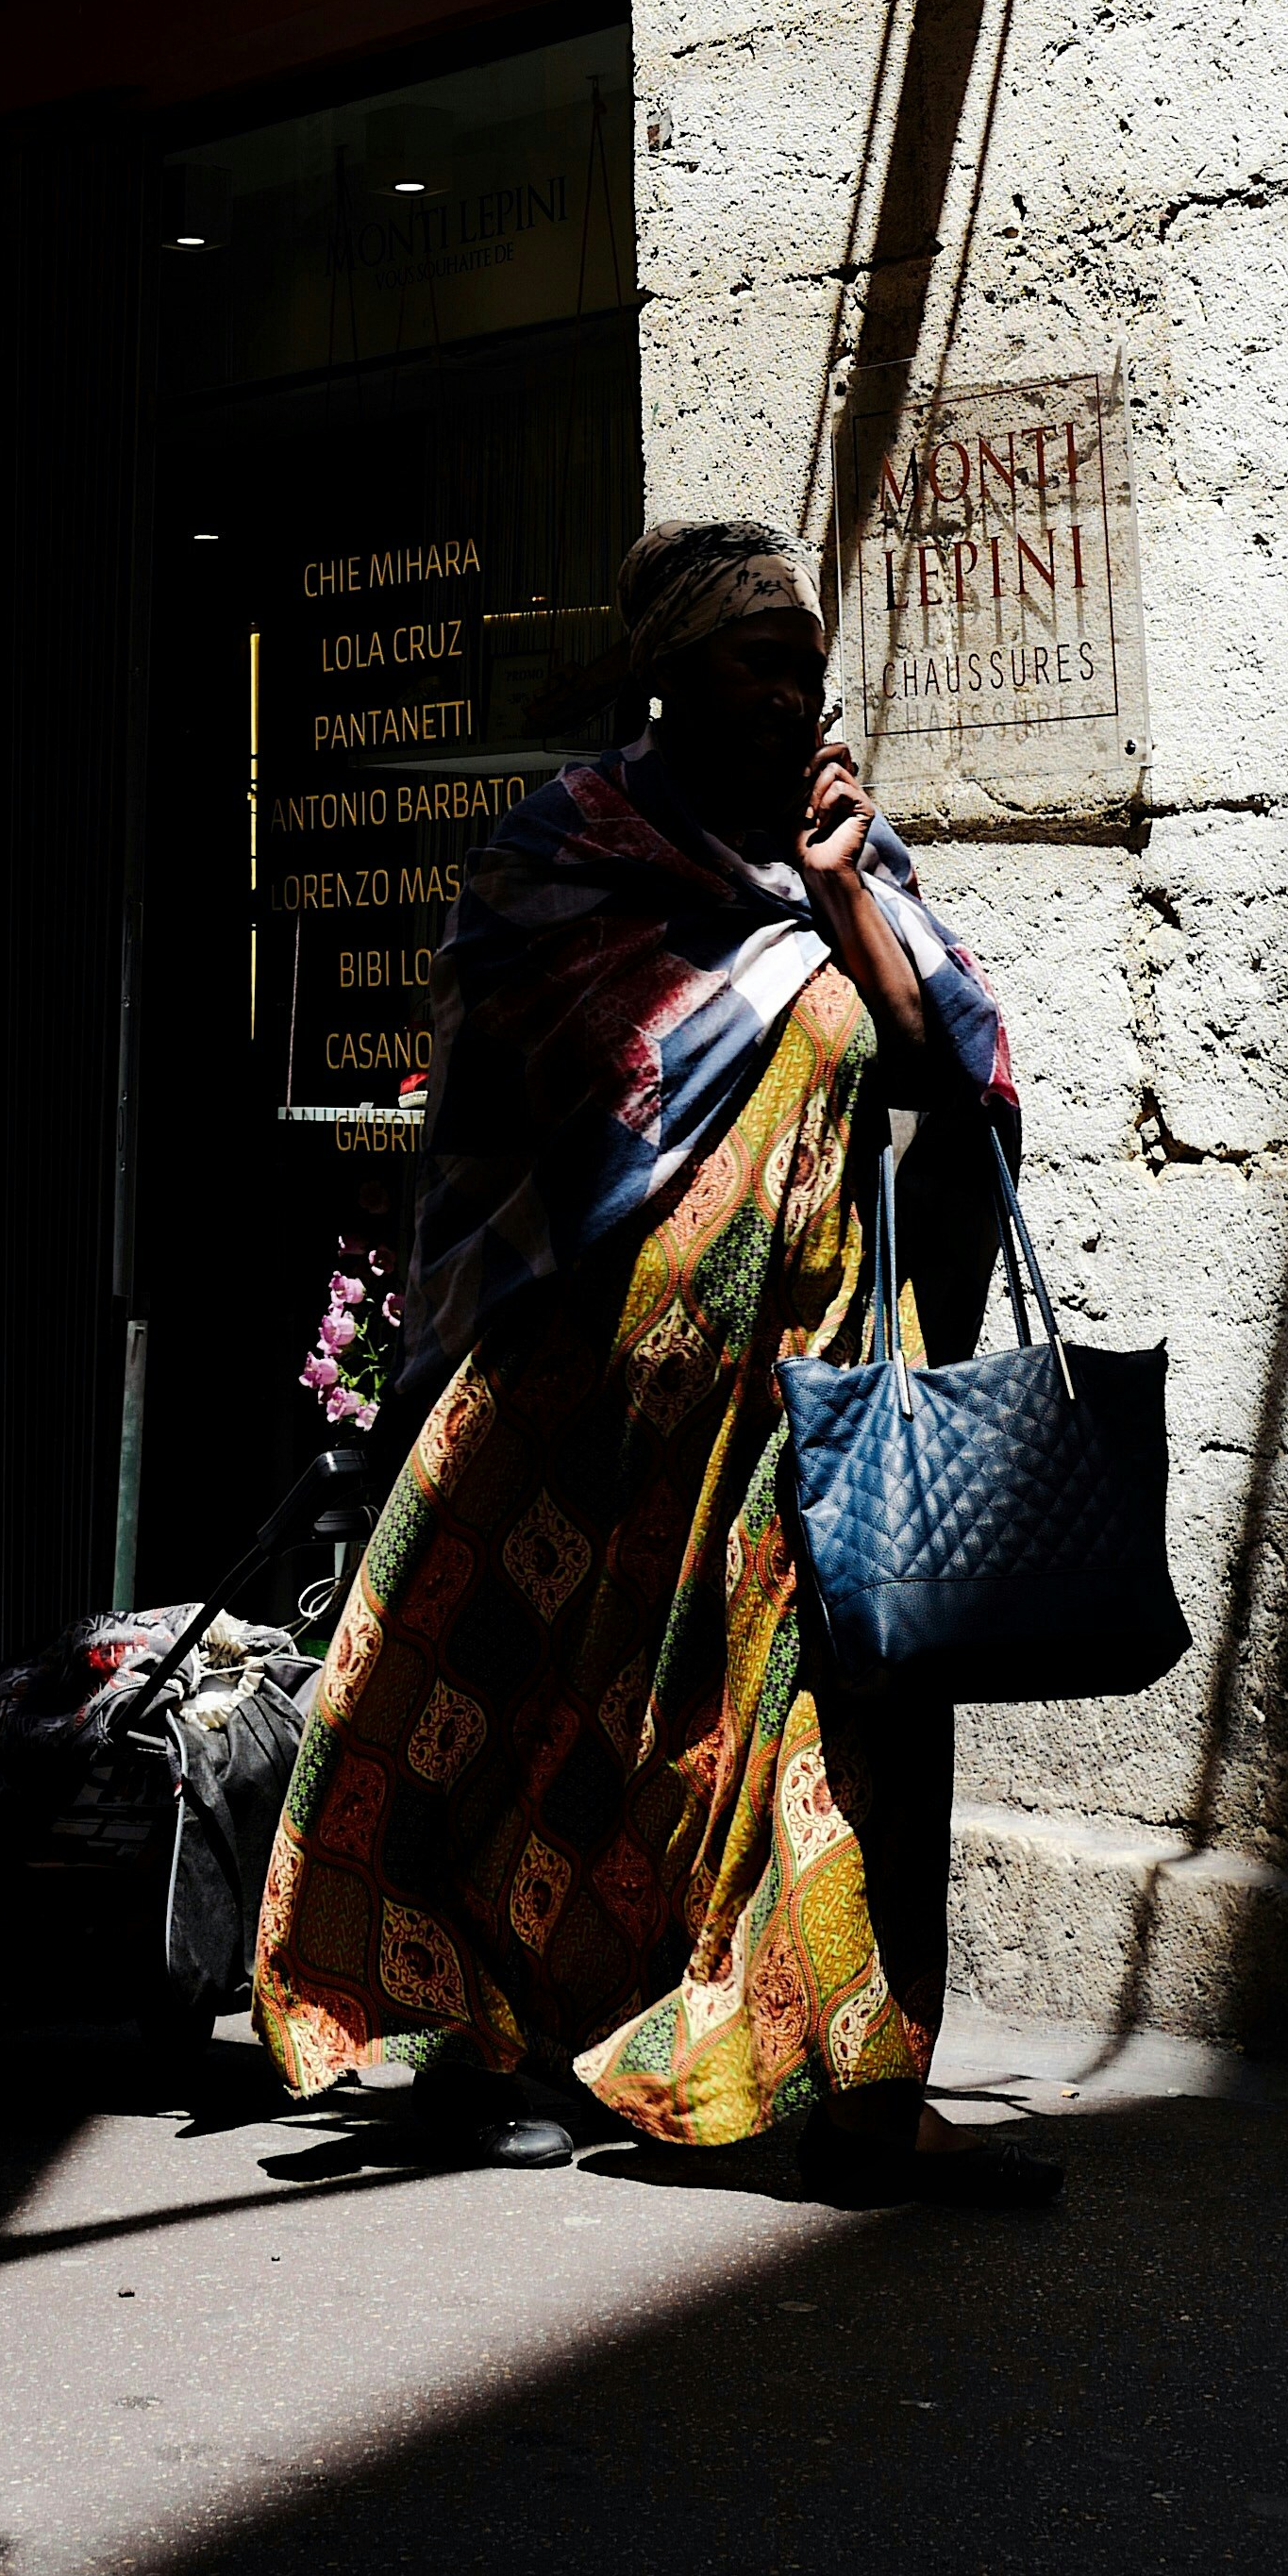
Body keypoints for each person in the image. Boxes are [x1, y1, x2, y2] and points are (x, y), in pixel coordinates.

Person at [248, 513, 1045, 2192]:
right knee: (563, 1737)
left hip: (806, 1397)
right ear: (670, 684)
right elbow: (515, 1113)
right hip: (593, 1400)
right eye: (759, 666)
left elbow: (942, 1085)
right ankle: (512, 2040)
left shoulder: (847, 869)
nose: (791, 700)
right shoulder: (568, 857)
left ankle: (837, 2084)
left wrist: (844, 904)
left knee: (821, 1735)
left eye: (808, 672)